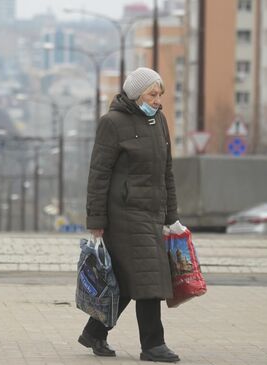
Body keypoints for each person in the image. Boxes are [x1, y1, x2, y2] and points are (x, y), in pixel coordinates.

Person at [79, 67, 187, 363]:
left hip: (152, 213)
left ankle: (94, 332)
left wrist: (172, 217)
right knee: (149, 275)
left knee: (127, 280)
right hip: (123, 214)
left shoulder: (158, 121)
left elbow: (166, 172)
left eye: (159, 94)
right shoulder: (112, 123)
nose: (157, 99)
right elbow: (99, 174)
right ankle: (153, 345)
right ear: (135, 94)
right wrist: (96, 221)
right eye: (152, 94)